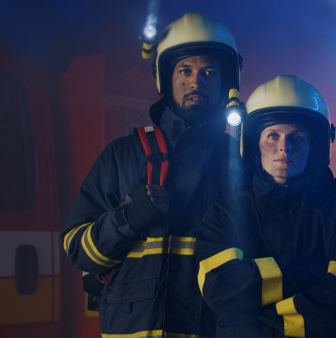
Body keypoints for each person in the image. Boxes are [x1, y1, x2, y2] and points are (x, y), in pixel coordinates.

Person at [61, 12, 243, 337]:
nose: (196, 82)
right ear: (165, 77)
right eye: (184, 70)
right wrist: (127, 219)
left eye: (209, 73)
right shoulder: (122, 155)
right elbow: (77, 249)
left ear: (224, 83)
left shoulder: (239, 162)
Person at [196, 75, 336, 337]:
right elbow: (221, 289)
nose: (284, 148)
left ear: (315, 148)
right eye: (272, 136)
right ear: (254, 144)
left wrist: (260, 319)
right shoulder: (224, 213)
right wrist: (311, 270)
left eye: (297, 138)